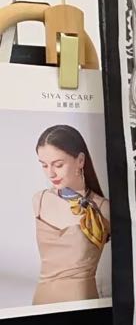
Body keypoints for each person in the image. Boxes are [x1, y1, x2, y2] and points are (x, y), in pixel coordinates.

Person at [32, 124, 110, 305]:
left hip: (81, 305)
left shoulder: (104, 208)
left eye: (58, 164)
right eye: (44, 165)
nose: (50, 173)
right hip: (41, 303)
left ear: (80, 160)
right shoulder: (39, 200)